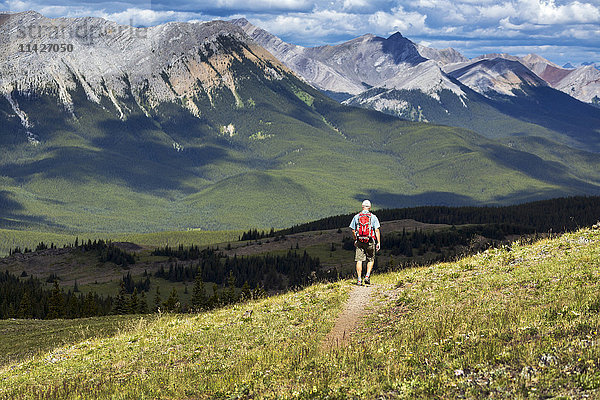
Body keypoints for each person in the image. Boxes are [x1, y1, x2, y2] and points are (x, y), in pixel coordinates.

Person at [349, 199, 380, 285]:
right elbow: (376, 230)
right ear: (370, 207)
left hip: (359, 241)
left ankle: (359, 279)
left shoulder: (357, 217)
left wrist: (356, 239)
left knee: (359, 260)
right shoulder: (373, 217)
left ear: (362, 206)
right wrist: (378, 242)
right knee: (370, 259)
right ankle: (367, 276)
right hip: (370, 240)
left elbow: (352, 230)